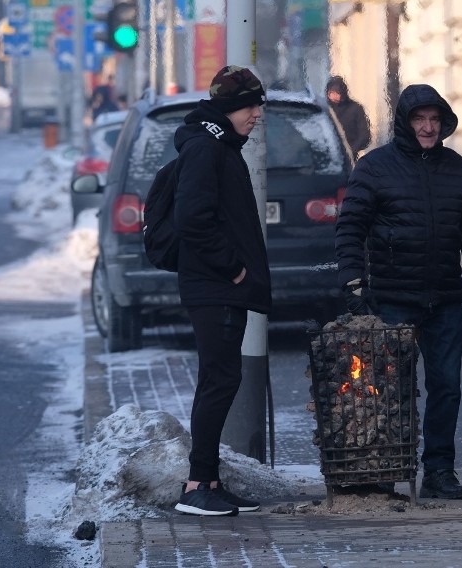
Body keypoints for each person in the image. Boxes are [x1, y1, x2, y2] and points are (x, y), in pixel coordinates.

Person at [335, 84, 462, 500]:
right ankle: (387, 470)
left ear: (443, 123)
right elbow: (350, 227)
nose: (427, 127)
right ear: (405, 123)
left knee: (447, 387)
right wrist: (354, 282)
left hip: (442, 297)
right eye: (419, 119)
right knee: (392, 390)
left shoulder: (456, 167)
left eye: (434, 120)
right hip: (391, 297)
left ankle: (439, 471)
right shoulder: (375, 168)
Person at [171, 65, 272, 516]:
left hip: (219, 288)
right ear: (230, 108)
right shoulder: (205, 148)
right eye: (251, 106)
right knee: (217, 382)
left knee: (221, 380)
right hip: (214, 288)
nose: (256, 115)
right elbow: (194, 218)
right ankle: (196, 487)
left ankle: (210, 479)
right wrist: (233, 272)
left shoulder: (218, 146)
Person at [326, 76, 371, 159]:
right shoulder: (324, 109)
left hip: (349, 157)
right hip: (327, 157)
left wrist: (350, 151)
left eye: (337, 93)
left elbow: (364, 135)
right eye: (331, 93)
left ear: (343, 93)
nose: (334, 96)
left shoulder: (355, 109)